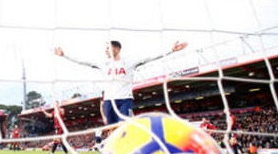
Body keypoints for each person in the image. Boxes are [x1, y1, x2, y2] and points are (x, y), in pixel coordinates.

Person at [54, 40, 187, 125]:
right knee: (112, 129)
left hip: (125, 100)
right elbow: (82, 61)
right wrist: (65, 54)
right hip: (109, 100)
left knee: (125, 126)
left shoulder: (129, 62)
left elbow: (151, 57)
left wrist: (171, 50)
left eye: (108, 48)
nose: (105, 51)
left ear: (116, 49)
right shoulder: (103, 64)